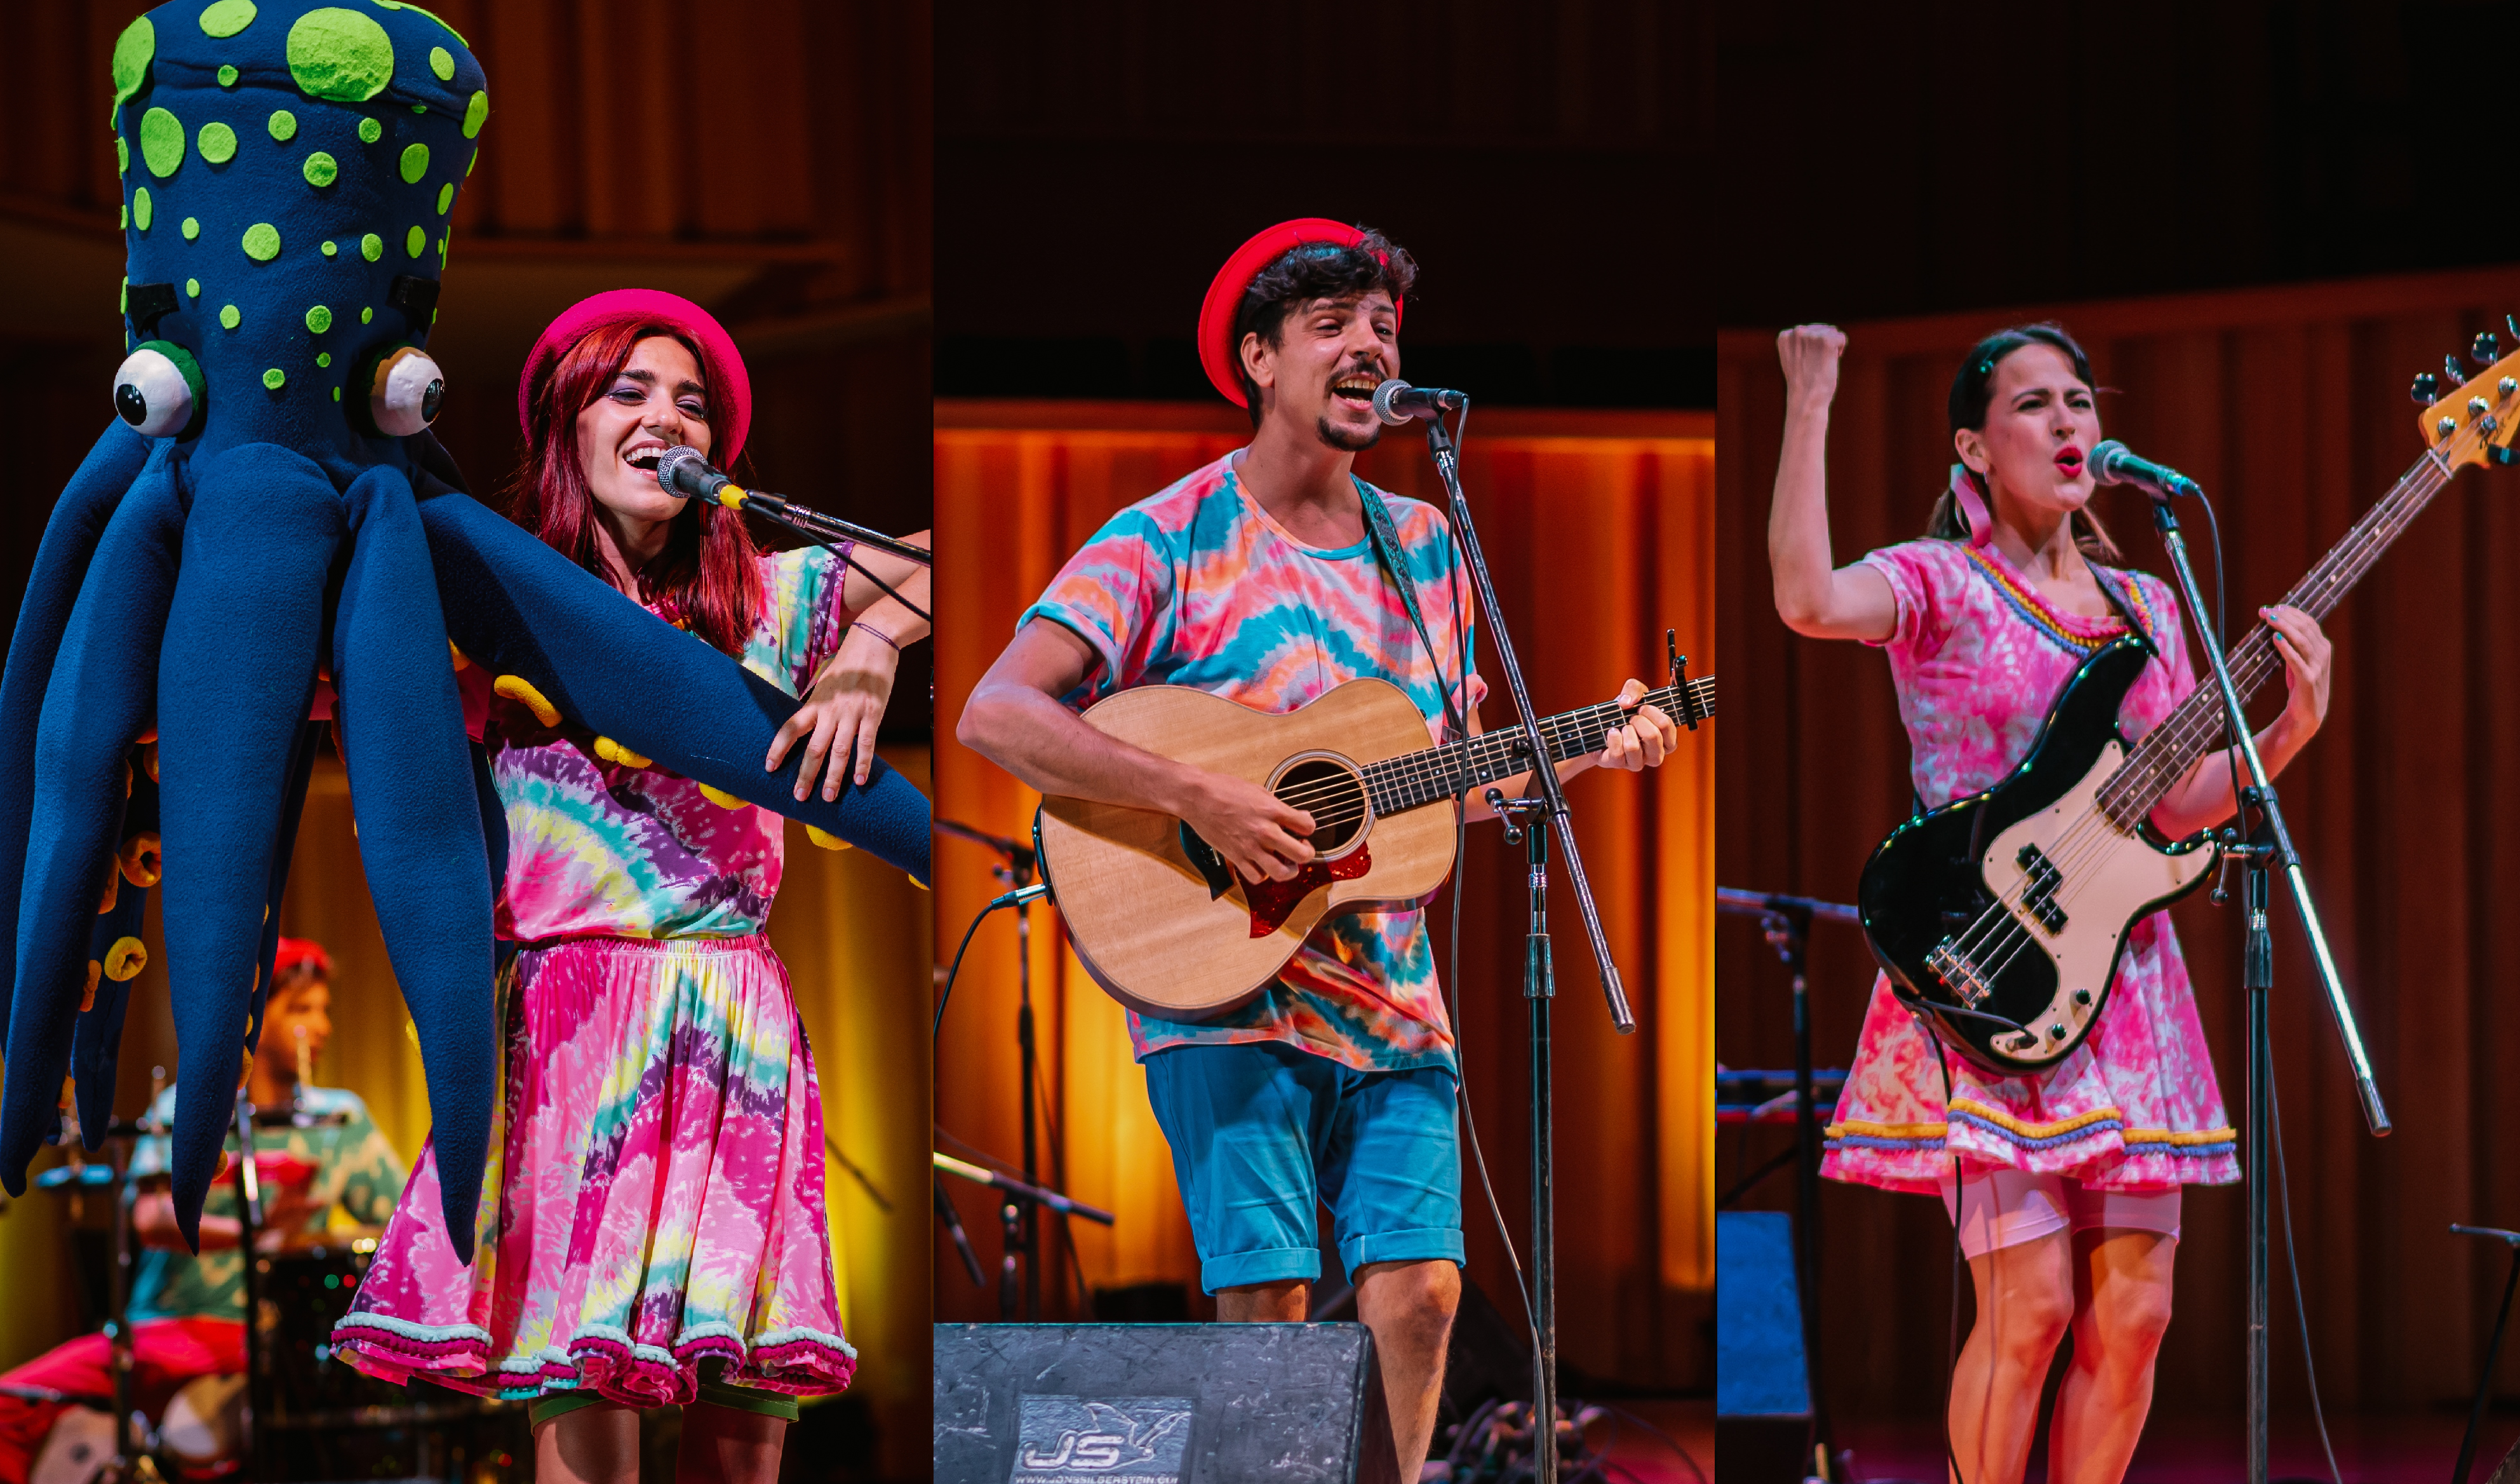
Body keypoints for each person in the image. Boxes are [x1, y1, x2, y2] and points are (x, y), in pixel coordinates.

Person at [958, 220, 1680, 1483]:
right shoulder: (1163, 535)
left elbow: (1417, 789)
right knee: (1274, 1299)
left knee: (1422, 1294)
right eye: (1333, 323)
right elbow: (996, 711)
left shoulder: (1426, 546)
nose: (1369, 346)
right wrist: (1204, 795)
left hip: (1391, 985)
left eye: (1386, 327)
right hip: (1221, 976)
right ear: (1259, 356)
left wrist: (1588, 745)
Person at [330, 290, 930, 1484]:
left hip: (731, 1024)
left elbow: (929, 556)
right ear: (567, 424)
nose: (669, 419)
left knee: (741, 1438)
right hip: (570, 1029)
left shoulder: (772, 598)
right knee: (584, 1440)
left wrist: (869, 653)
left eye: (692, 403)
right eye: (632, 393)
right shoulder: (488, 603)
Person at [1767, 322, 2336, 1484]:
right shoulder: (1936, 584)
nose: (2069, 421)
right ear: (1971, 448)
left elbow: (2178, 805)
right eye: (2034, 404)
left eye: (2079, 400)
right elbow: (1806, 600)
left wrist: (2285, 732)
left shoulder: (2145, 607)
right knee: (2024, 1307)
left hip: (2123, 988)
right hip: (1987, 969)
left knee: (2132, 1318)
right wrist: (1810, 397)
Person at [0, 938, 401, 1484]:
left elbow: (401, 1228)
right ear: (254, 1017)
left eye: (325, 1010)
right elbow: (150, 1218)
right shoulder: (183, 1108)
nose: (323, 1026)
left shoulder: (340, 1119)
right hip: (159, 1333)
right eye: (302, 1010)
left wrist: (307, 1243)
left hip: (264, 1340)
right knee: (10, 1403)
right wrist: (257, 1231)